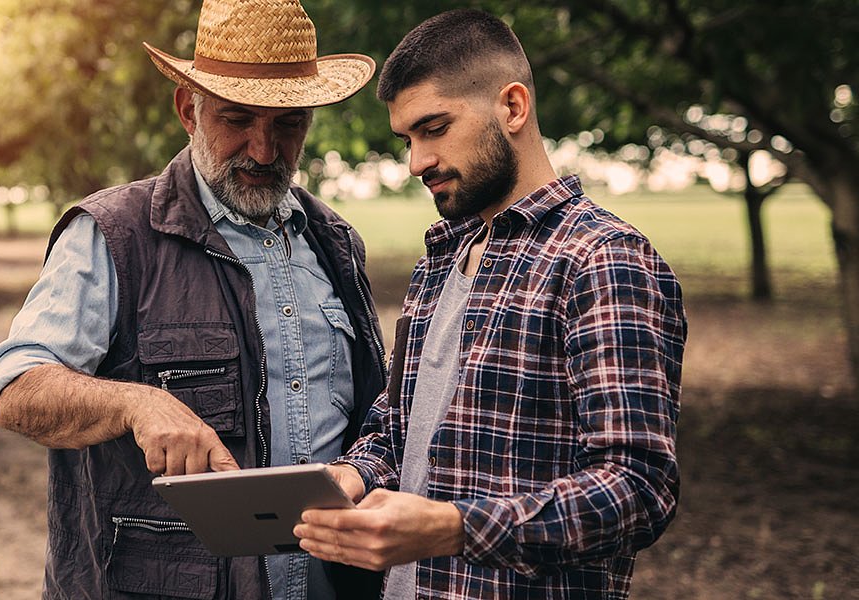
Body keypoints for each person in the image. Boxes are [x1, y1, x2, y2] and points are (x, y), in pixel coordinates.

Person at [0, 1, 389, 598]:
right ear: (187, 112)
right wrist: (137, 404)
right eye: (237, 119)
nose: (264, 150)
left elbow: (377, 422)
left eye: (288, 123)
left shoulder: (336, 244)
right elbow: (13, 390)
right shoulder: (114, 233)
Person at [292, 9, 687, 600]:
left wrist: (453, 528)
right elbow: (403, 430)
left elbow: (637, 490)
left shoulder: (603, 259)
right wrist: (351, 475)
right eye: (407, 139)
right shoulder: (440, 261)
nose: (416, 162)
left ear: (512, 108)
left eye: (434, 128)